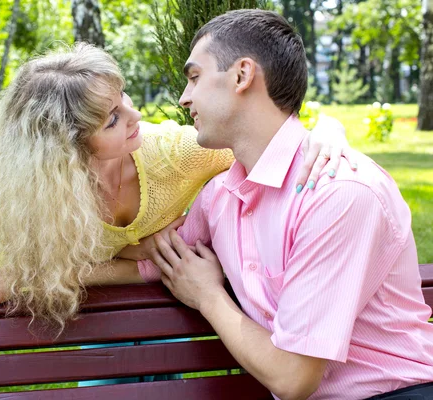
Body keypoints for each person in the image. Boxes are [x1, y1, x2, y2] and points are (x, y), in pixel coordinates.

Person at [0, 43, 354, 385]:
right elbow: (70, 268)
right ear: (67, 149)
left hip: (186, 314)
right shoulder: (48, 199)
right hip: (108, 323)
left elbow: (273, 139)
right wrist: (23, 277)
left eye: (123, 97)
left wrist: (330, 129)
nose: (136, 115)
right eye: (113, 118)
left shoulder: (174, 154)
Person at [145, 9, 433, 400]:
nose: (184, 98)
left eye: (195, 77)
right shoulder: (220, 195)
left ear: (242, 75)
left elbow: (293, 378)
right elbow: (155, 260)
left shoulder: (338, 192)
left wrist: (209, 297)